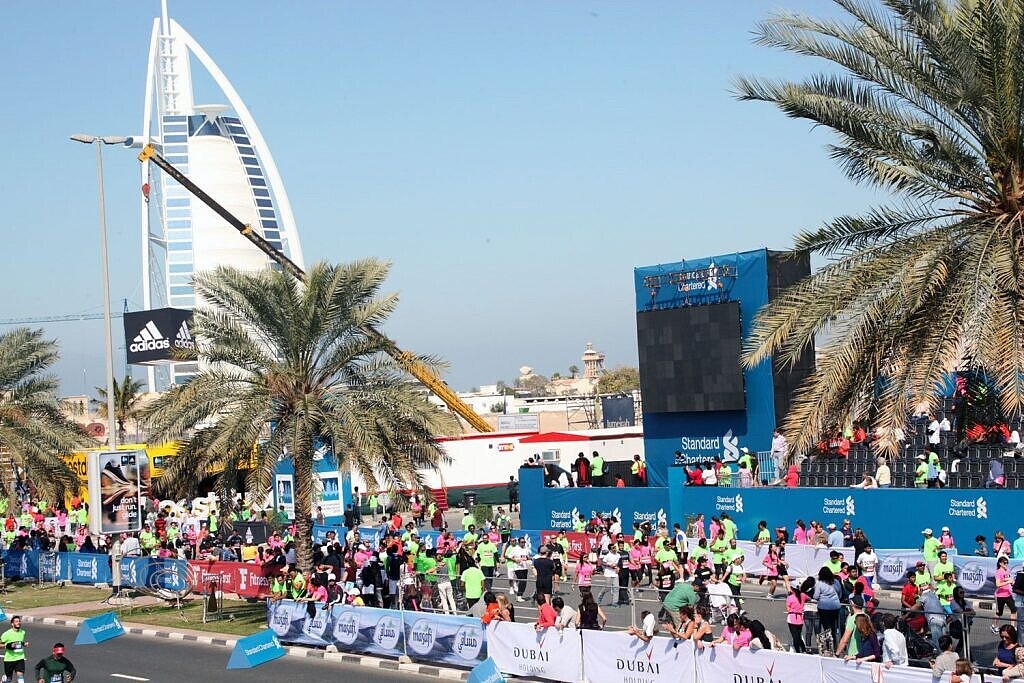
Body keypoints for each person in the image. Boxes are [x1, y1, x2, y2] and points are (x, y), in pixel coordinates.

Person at [2, 615, 27, 683]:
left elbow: (19, 642)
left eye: (19, 621)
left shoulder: (22, 632)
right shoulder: (7, 634)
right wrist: (8, 646)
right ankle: (4, 679)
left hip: (20, 658)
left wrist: (24, 644)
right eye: (16, 621)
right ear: (12, 624)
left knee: (20, 677)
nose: (18, 623)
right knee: (9, 679)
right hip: (9, 659)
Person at [786, 582, 809, 653]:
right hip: (800, 618)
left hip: (792, 618)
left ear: (792, 588)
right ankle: (803, 649)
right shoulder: (803, 595)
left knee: (795, 637)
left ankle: (798, 651)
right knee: (798, 636)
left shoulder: (790, 597)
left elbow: (788, 609)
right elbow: (809, 598)